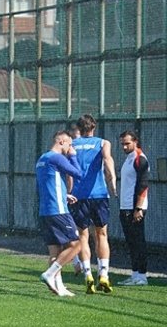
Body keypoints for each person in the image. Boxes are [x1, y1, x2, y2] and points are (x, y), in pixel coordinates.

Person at [70, 114, 116, 294]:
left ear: (79, 129)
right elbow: (107, 160)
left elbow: (67, 171)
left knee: (83, 236)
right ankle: (103, 274)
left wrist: (69, 191)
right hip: (99, 194)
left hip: (78, 196)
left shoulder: (72, 145)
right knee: (101, 234)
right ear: (94, 127)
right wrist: (112, 181)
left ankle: (87, 274)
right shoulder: (103, 143)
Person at [36, 130, 83, 296]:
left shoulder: (42, 159)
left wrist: (64, 195)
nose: (70, 148)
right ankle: (49, 274)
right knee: (77, 244)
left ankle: (59, 287)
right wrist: (73, 156)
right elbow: (78, 174)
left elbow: (46, 184)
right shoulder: (57, 157)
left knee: (55, 251)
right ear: (62, 141)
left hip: (45, 210)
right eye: (69, 144)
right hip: (58, 210)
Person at [117, 130, 150, 286]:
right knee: (131, 242)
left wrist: (138, 208)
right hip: (125, 206)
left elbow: (143, 185)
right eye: (122, 144)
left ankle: (142, 276)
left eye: (127, 143)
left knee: (138, 241)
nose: (124, 147)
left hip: (134, 208)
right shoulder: (128, 159)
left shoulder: (140, 159)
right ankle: (135, 274)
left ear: (135, 142)